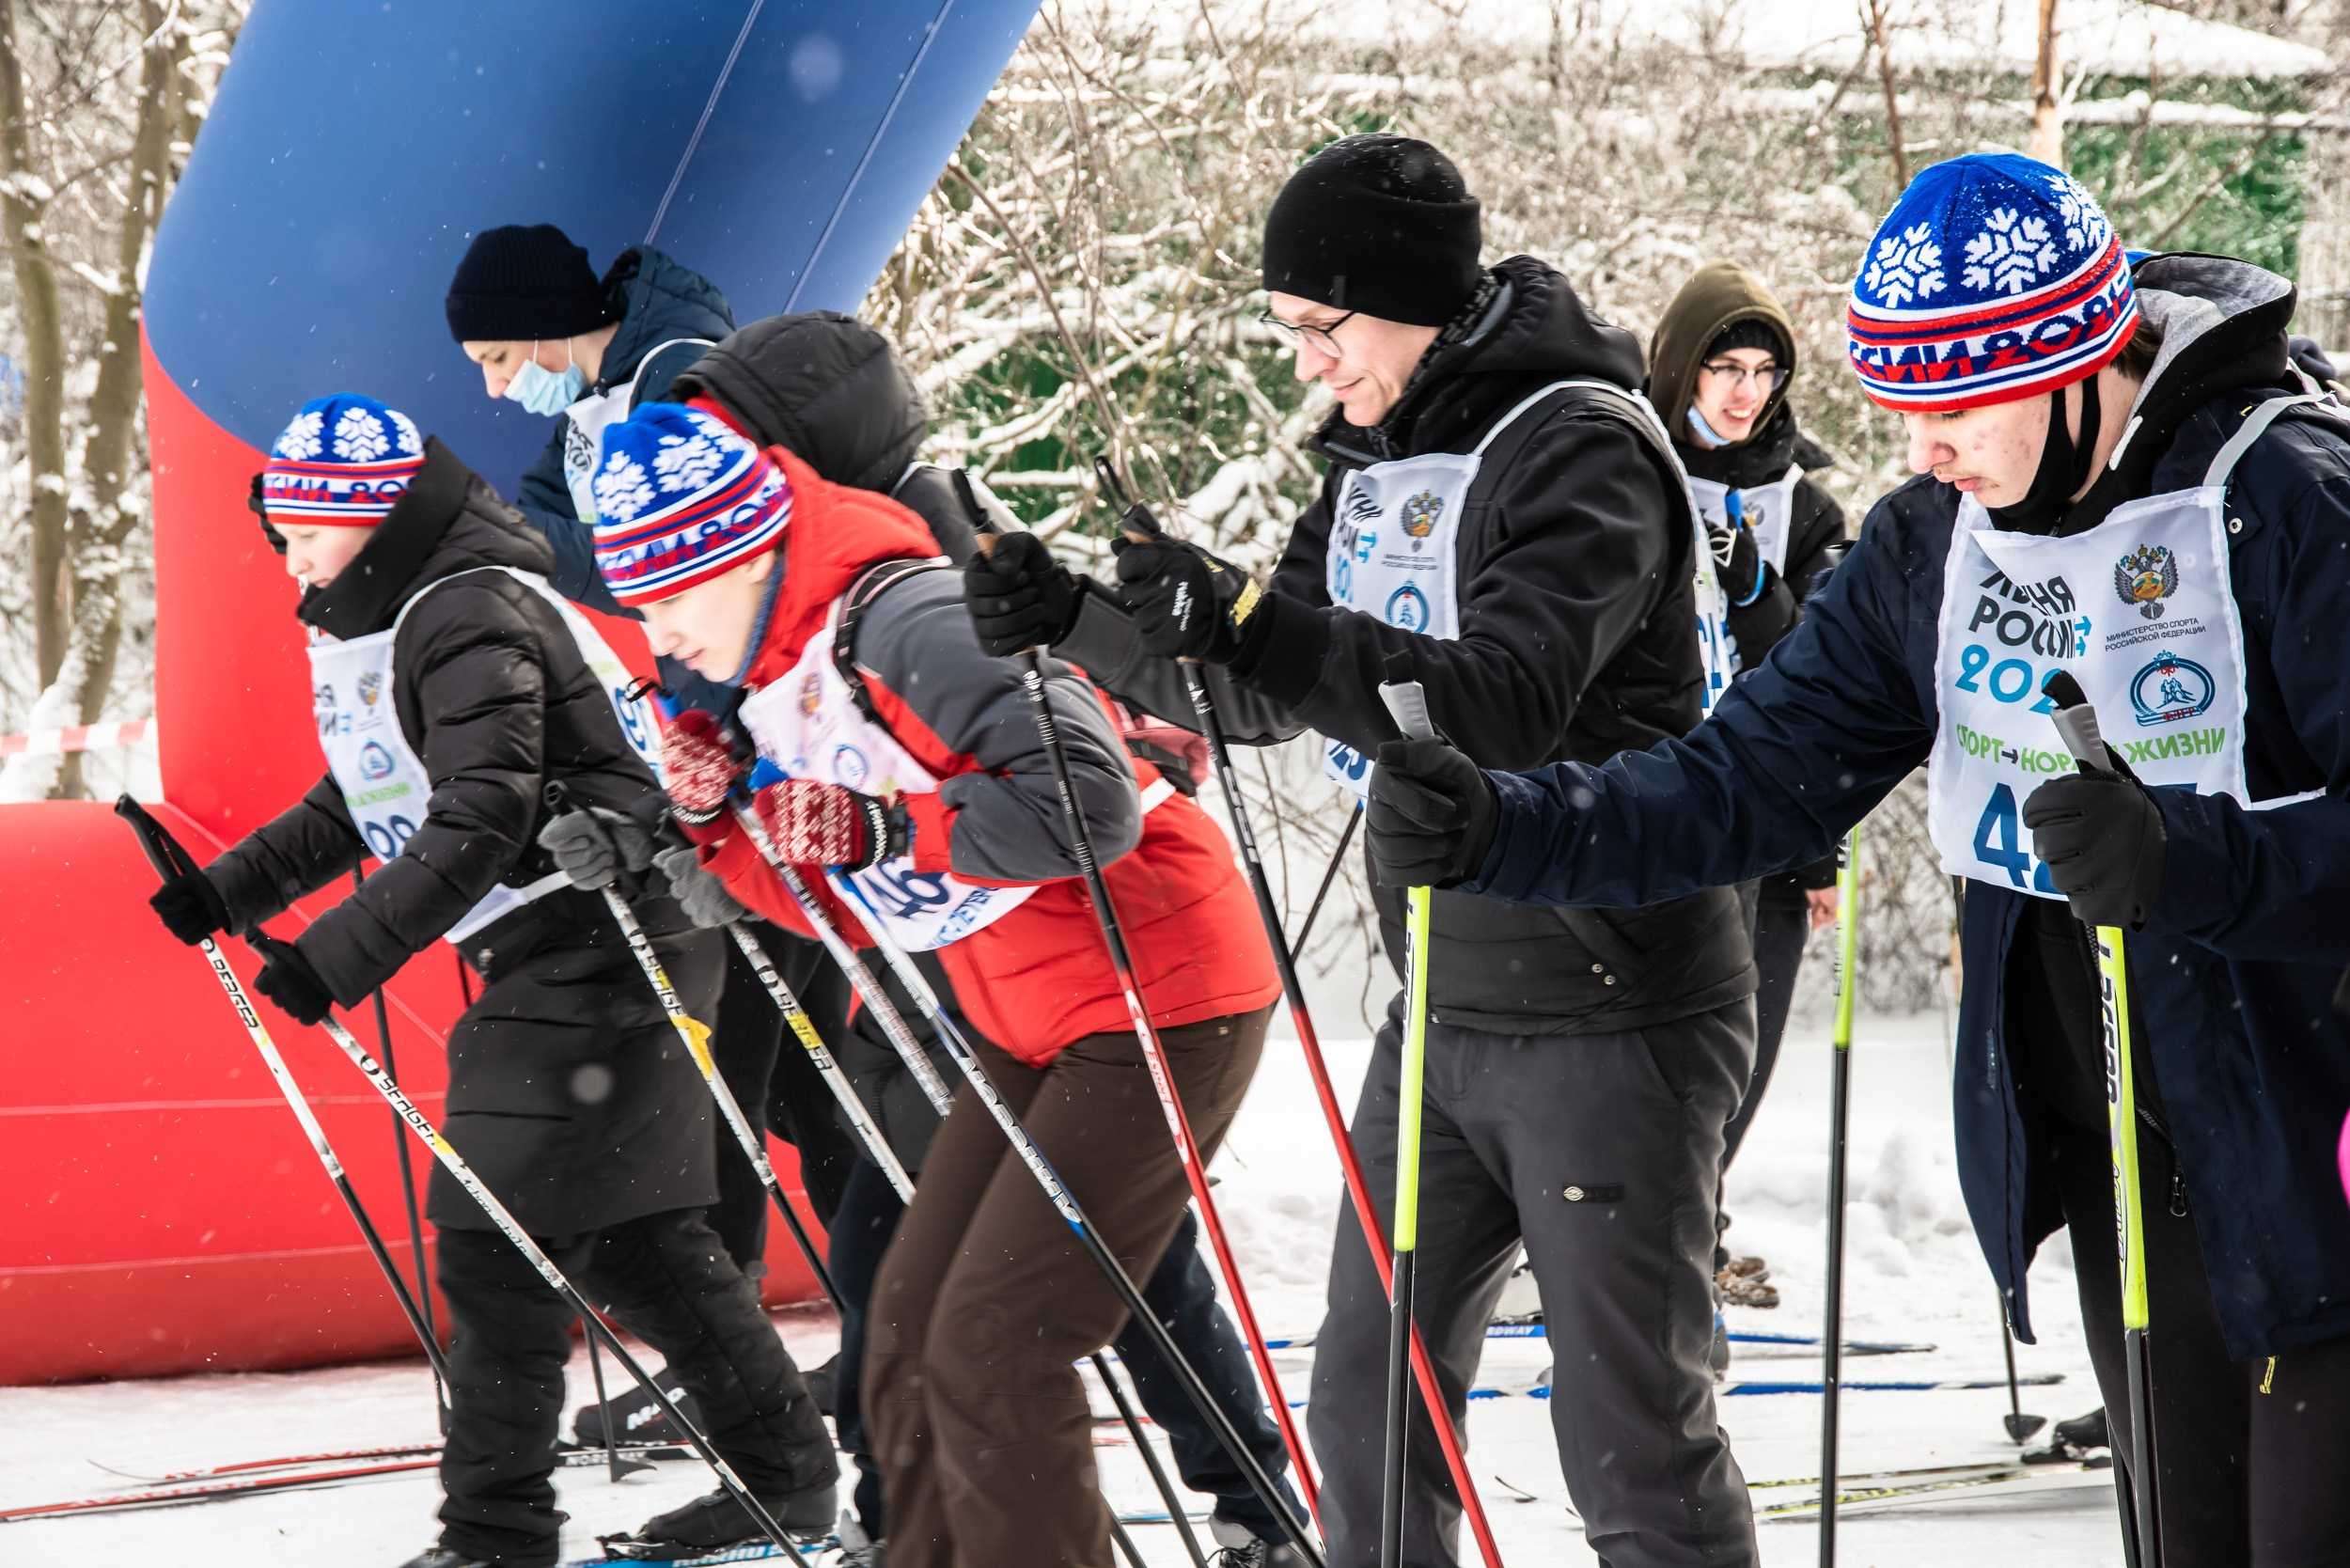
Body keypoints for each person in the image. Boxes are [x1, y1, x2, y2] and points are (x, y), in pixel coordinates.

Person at [1364, 154, 2350, 1564]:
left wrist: (2194, 858)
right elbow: (1747, 780)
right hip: (2125, 1146)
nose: (1924, 451)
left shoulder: (2288, 498)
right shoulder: (1934, 543)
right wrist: (1505, 827)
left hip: (2309, 1133)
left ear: (2081, 364)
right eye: (1903, 410)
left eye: (1958, 408)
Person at [964, 133, 1760, 1568]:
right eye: (1288, 331)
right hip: (1447, 996)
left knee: (1632, 1441)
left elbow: (1499, 705)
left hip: (1612, 1000)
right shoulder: (1384, 453)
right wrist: (1079, 619)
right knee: (1370, 1416)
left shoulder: (1580, 446)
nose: (1308, 363)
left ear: (1413, 301)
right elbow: (1261, 690)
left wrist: (1252, 621)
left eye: (1324, 327)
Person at [139, 395, 838, 1567]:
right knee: (631, 1241)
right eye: (282, 537)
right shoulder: (416, 610)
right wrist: (228, 891)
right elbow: (372, 795)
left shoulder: (465, 610)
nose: (290, 561)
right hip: (584, 941)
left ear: (370, 519)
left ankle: (496, 1536)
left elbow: (482, 814)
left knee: (493, 1237)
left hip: (606, 936)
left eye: (305, 534)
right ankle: (785, 1480)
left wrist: (333, 959)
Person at [584, 401, 1284, 1568]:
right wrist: (718, 824)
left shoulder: (911, 618)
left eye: (666, 599)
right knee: (903, 1328)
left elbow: (1090, 806)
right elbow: (832, 898)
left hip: (1156, 987)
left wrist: (887, 825)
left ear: (738, 556)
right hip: (1024, 1012)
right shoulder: (782, 668)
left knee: (996, 1342)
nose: (658, 636)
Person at [445, 224, 862, 1293]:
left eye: (499, 359)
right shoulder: (593, 408)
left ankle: (763, 1338)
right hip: (716, 746)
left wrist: (712, 785)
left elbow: (695, 567)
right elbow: (543, 536)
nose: (496, 388)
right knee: (791, 1076)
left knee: (736, 1067)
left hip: (764, 745)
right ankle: (886, 1321)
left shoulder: (677, 380)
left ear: (546, 326)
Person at [1649, 259, 1852, 1307]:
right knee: (1651, 1064)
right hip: (1648, 815)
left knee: (1737, 1061)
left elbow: (1826, 680)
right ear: (1681, 366)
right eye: (1724, 367)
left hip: (1764, 827)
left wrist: (1819, 849)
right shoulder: (1620, 466)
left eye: (1764, 372)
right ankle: (1641, 1255)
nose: (1744, 391)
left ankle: (1693, 1235)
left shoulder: (1800, 507)